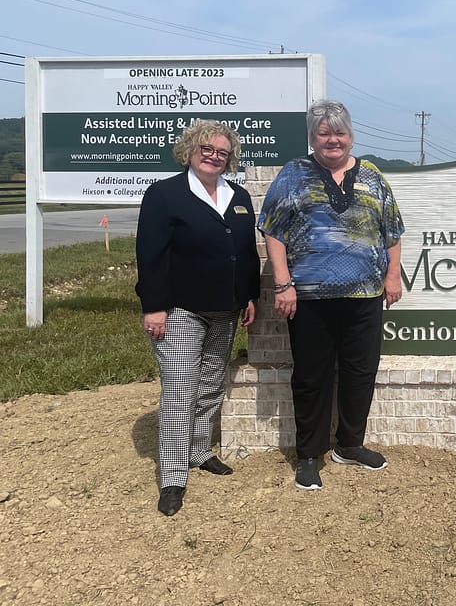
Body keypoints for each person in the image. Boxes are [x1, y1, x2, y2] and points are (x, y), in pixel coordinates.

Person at [258, 100, 404, 491]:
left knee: (360, 373)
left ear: (350, 135)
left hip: (365, 297)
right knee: (311, 377)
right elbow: (273, 230)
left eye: (339, 132)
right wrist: (283, 283)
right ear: (313, 137)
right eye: (324, 133)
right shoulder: (294, 175)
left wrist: (393, 276)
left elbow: (392, 231)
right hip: (309, 299)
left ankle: (350, 445)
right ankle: (309, 455)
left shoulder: (372, 176)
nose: (332, 140)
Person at [135, 120, 259, 517]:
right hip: (180, 310)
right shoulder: (165, 195)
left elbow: (246, 251)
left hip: (226, 309)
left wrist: (251, 295)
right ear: (190, 149)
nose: (214, 156)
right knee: (179, 390)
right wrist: (153, 306)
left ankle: (199, 450)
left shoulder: (237, 196)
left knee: (209, 384)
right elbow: (150, 254)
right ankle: (172, 476)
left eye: (222, 152)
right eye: (207, 148)